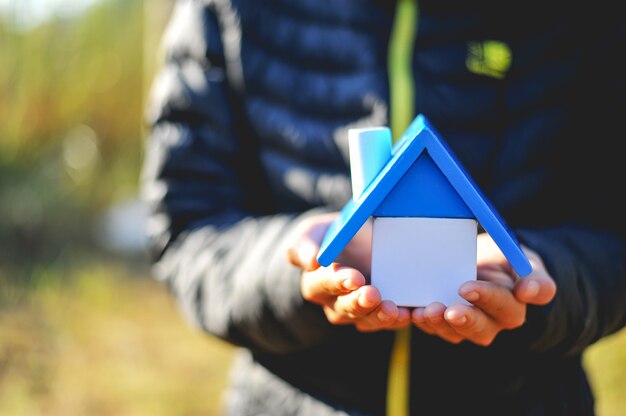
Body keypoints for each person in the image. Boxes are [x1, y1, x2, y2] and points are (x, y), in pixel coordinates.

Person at [139, 0, 625, 415]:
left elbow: (612, 229)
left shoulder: (585, 17)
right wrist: (289, 263)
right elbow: (188, 223)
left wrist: (545, 277)